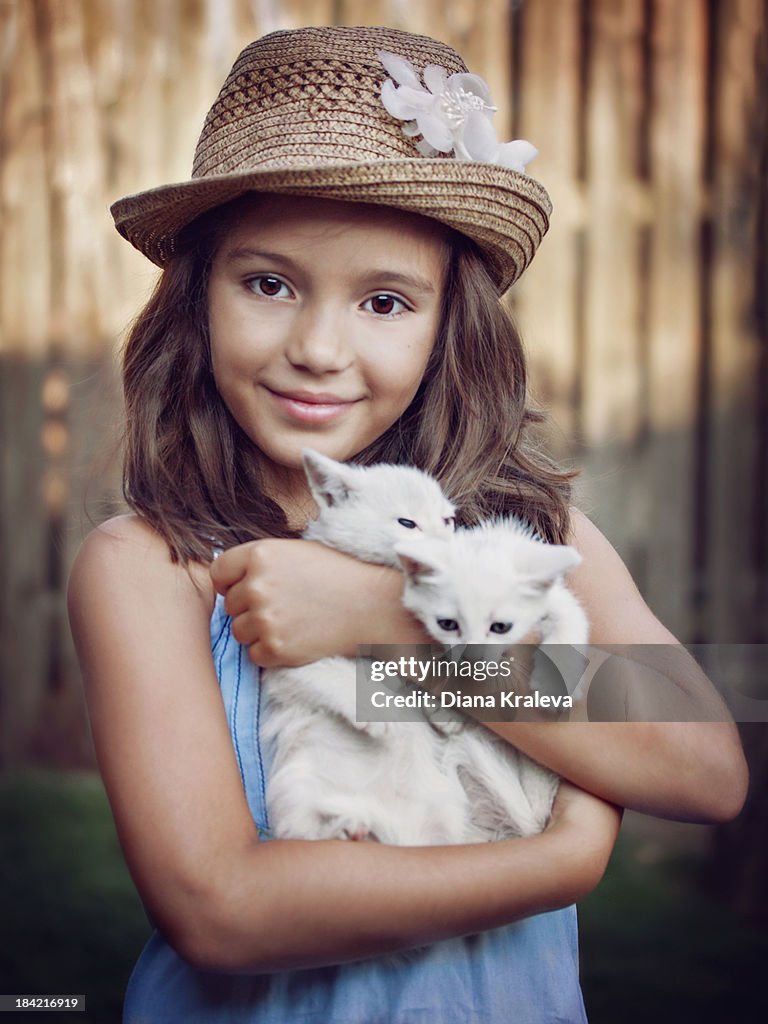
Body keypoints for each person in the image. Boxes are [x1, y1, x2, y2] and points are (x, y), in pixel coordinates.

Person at [67, 25, 747, 1023]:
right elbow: (221, 910)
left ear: (445, 329)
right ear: (196, 297)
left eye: (385, 300)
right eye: (268, 283)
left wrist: (391, 621)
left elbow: (703, 764)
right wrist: (556, 862)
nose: (318, 347)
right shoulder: (149, 566)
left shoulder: (525, 531)